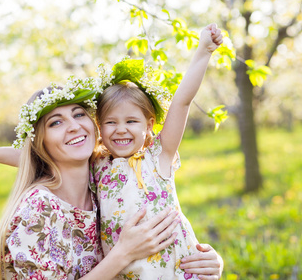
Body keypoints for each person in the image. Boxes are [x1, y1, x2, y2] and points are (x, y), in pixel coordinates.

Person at [0, 80, 184, 279]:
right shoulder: (39, 210)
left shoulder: (103, 183)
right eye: (55, 123)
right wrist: (123, 254)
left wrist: (195, 258)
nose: (74, 126)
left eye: (79, 114)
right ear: (40, 143)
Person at [90, 23, 223, 279]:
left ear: (149, 125)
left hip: (174, 268)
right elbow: (46, 156)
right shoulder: (97, 165)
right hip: (127, 271)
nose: (120, 130)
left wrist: (203, 51)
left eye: (131, 121)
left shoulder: (158, 156)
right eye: (110, 122)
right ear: (99, 126)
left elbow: (182, 101)